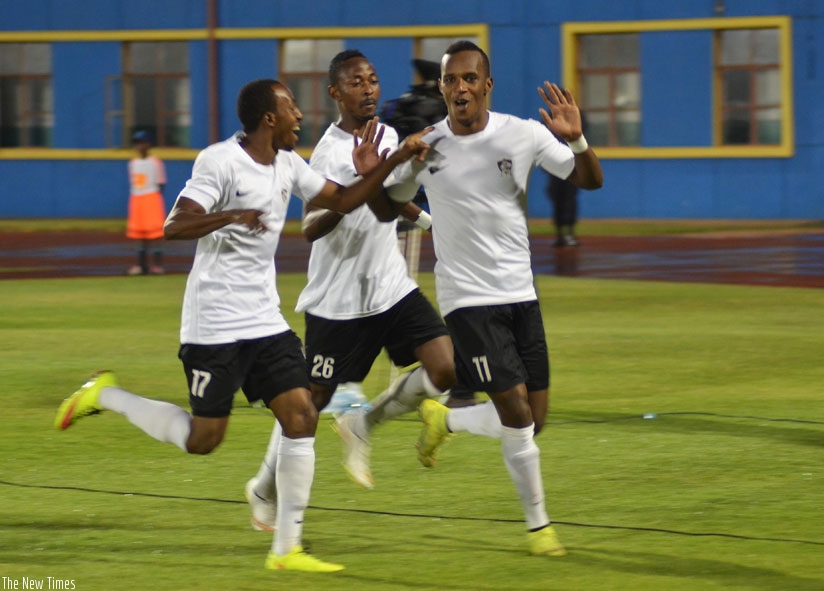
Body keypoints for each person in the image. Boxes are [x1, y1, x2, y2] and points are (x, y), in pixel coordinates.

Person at [54, 78, 431, 573]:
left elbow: (342, 200)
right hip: (213, 323)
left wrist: (392, 161)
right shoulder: (219, 161)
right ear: (269, 119)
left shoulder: (290, 164)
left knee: (301, 416)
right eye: (292, 107)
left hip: (264, 320)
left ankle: (287, 550)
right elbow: (174, 225)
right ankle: (104, 394)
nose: (300, 115)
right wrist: (232, 214)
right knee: (203, 439)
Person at [384, 41, 604, 557]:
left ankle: (447, 419)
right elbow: (387, 200)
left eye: (469, 79)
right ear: (441, 89)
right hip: (467, 300)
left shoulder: (523, 134)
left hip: (521, 294)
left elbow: (590, 180)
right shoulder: (427, 145)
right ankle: (539, 528)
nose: (460, 87)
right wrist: (397, 160)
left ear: (487, 85)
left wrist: (576, 142)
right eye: (450, 80)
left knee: (535, 417)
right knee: (515, 410)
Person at [244, 50, 454, 519]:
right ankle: (262, 487)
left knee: (446, 368)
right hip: (339, 303)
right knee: (308, 408)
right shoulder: (326, 153)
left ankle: (364, 421)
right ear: (336, 93)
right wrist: (355, 187)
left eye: (374, 80)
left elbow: (390, 196)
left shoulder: (388, 135)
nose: (369, 89)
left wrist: (426, 221)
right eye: (356, 83)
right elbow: (311, 226)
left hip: (389, 286)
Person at [126, 130, 167, 275]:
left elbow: (161, 183)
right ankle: (140, 265)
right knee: (139, 234)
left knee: (155, 233)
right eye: (137, 144)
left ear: (148, 144)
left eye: (142, 143)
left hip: (151, 198)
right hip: (137, 199)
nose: (139, 147)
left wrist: (153, 196)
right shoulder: (132, 163)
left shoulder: (155, 162)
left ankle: (157, 265)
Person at [548, 112, 588, 247]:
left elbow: (581, 135)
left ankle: (570, 234)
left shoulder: (577, 114)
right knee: (557, 200)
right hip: (555, 166)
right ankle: (560, 235)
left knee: (569, 200)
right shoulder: (550, 116)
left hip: (572, 164)